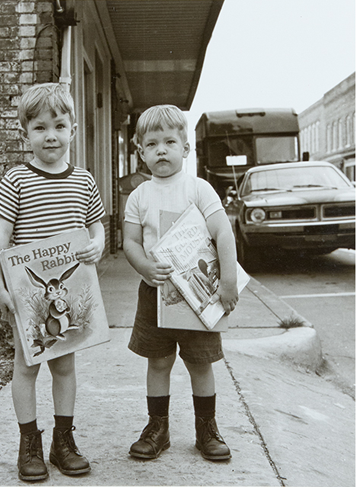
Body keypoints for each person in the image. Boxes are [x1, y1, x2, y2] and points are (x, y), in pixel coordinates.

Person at [0, 83, 105, 481]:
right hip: (29, 294)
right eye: (39, 128)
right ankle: (29, 444)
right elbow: (0, 238)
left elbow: (96, 226)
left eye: (58, 125)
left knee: (65, 366)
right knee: (26, 367)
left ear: (72, 128)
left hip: (67, 294)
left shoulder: (83, 180)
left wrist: (97, 246)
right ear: (25, 135)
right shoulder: (17, 180)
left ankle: (63, 441)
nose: (50, 135)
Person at [123, 104, 238, 462]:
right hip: (156, 291)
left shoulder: (198, 188)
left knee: (200, 363)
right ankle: (158, 427)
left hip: (198, 293)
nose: (162, 150)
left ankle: (207, 429)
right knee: (157, 362)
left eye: (170, 142)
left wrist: (229, 281)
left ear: (185, 149)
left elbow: (222, 231)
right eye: (152, 143)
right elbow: (130, 241)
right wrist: (144, 266)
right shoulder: (140, 195)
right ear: (140, 151)